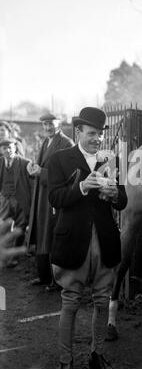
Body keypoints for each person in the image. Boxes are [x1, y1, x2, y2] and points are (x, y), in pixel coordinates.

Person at [47, 107, 127, 369]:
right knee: (71, 301)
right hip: (73, 240)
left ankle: (97, 355)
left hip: (104, 240)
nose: (98, 139)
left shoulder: (111, 159)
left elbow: (123, 201)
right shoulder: (60, 159)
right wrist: (81, 187)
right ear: (79, 131)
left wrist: (115, 194)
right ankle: (65, 360)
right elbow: (55, 198)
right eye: (92, 133)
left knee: (102, 299)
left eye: (101, 134)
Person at [27, 113, 74, 289]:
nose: (47, 127)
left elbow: (69, 175)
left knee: (54, 237)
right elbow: (42, 168)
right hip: (42, 198)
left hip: (55, 198)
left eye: (51, 124)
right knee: (42, 235)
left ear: (59, 123)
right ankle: (44, 277)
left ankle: (58, 281)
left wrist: (42, 173)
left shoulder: (66, 144)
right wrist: (33, 171)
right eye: (45, 124)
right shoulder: (46, 142)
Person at [0, 139, 32, 267]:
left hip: (20, 200)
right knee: (4, 227)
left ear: (15, 148)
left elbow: (31, 185)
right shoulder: (0, 162)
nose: (7, 150)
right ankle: (5, 255)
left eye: (9, 147)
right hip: (5, 199)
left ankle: (14, 257)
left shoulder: (25, 163)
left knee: (20, 227)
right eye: (4, 148)